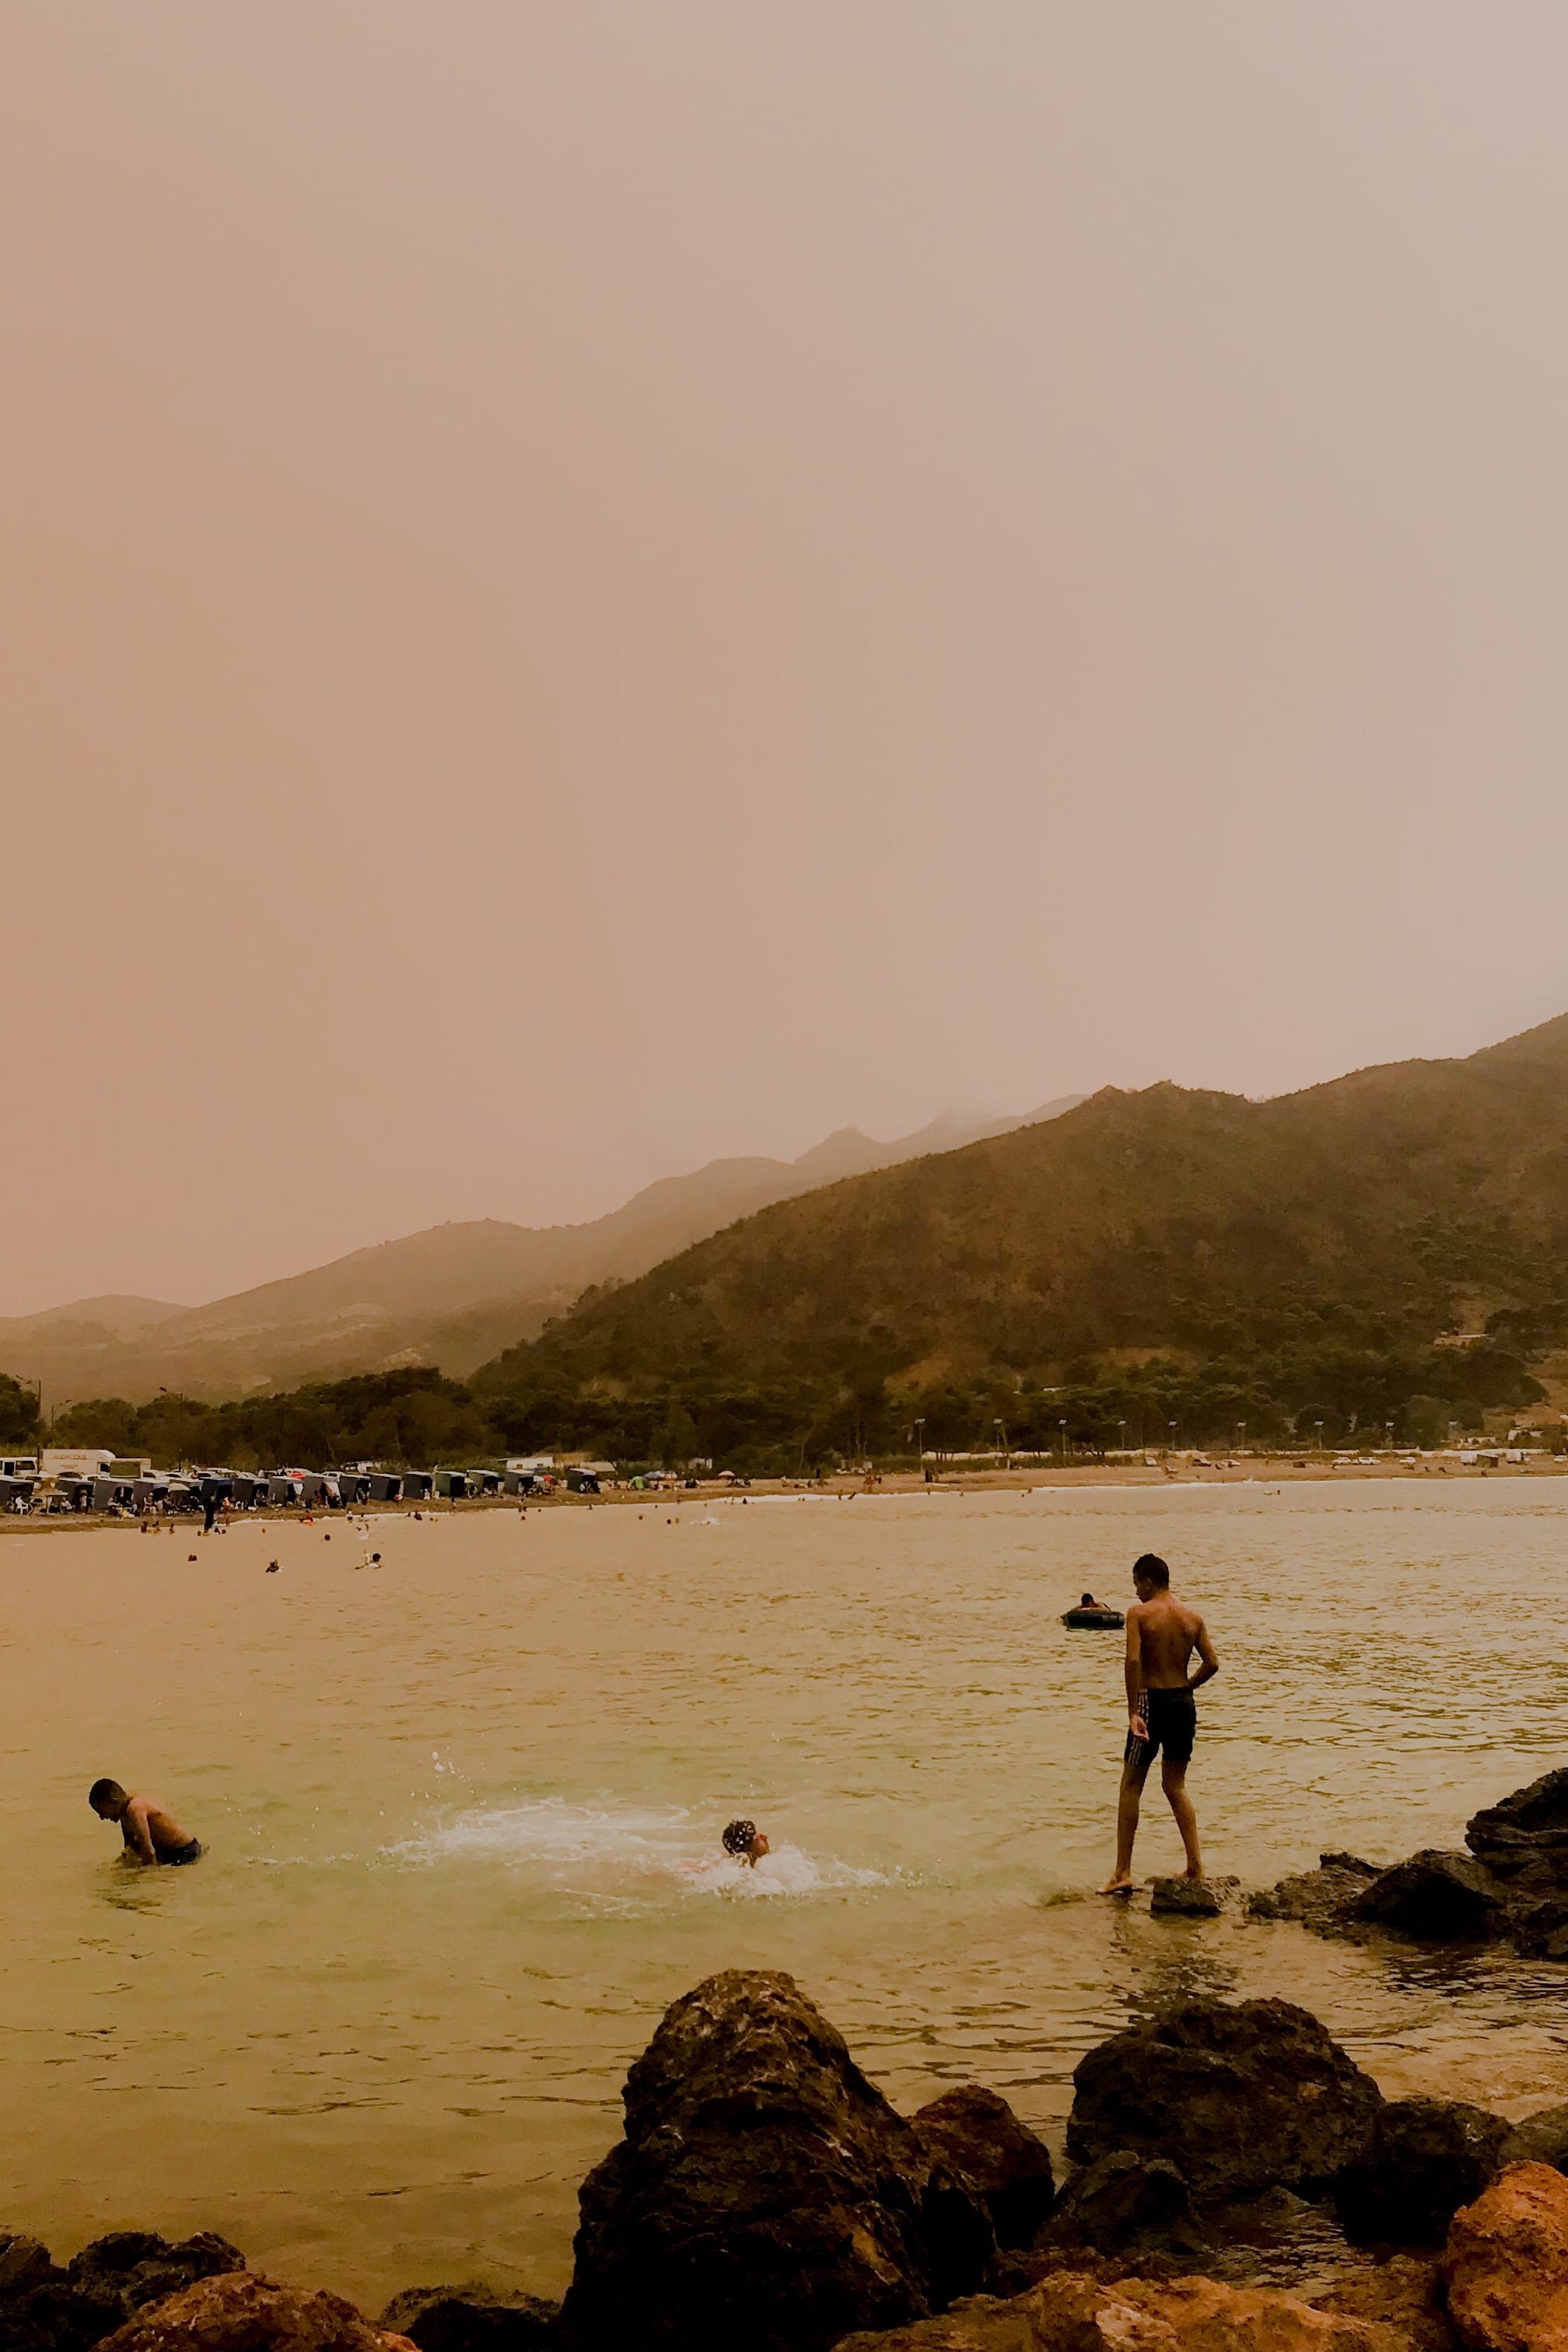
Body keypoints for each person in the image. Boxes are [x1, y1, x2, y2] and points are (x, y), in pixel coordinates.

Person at [1101, 1554, 1218, 1892]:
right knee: (1175, 1785)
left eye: (1137, 1583)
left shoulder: (1139, 1614)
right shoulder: (1192, 1618)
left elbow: (1133, 1661)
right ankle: (1195, 1867)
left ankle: (1122, 1872)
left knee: (1131, 1785)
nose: (1136, 1591)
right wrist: (1187, 1687)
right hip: (1183, 1703)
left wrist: (1133, 1710)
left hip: (1151, 1702)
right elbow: (1211, 1663)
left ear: (1149, 1581)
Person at [89, 1779, 202, 1866]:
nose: (102, 1817)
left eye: (101, 1811)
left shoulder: (135, 1809)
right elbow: (130, 1849)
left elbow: (148, 1851)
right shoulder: (123, 1812)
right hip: (165, 1851)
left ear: (114, 1801)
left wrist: (147, 1884)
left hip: (186, 1851)